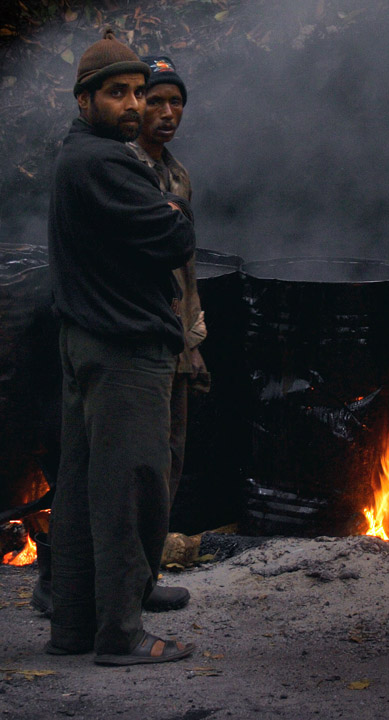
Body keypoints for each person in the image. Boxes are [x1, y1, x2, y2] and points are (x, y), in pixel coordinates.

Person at [47, 28, 196, 665]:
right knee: (132, 488)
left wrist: (164, 210)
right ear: (85, 101)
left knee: (83, 488)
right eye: (118, 94)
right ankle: (121, 633)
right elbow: (174, 237)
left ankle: (75, 626)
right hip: (125, 348)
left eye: (140, 92)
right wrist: (171, 212)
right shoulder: (104, 161)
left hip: (90, 342)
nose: (134, 105)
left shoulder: (81, 155)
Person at [128, 56, 210, 516]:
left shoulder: (178, 176)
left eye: (175, 102)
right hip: (138, 338)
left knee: (172, 456)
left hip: (174, 338)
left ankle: (149, 563)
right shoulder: (123, 170)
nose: (166, 113)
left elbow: (187, 268)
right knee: (141, 457)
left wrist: (193, 341)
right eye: (155, 100)